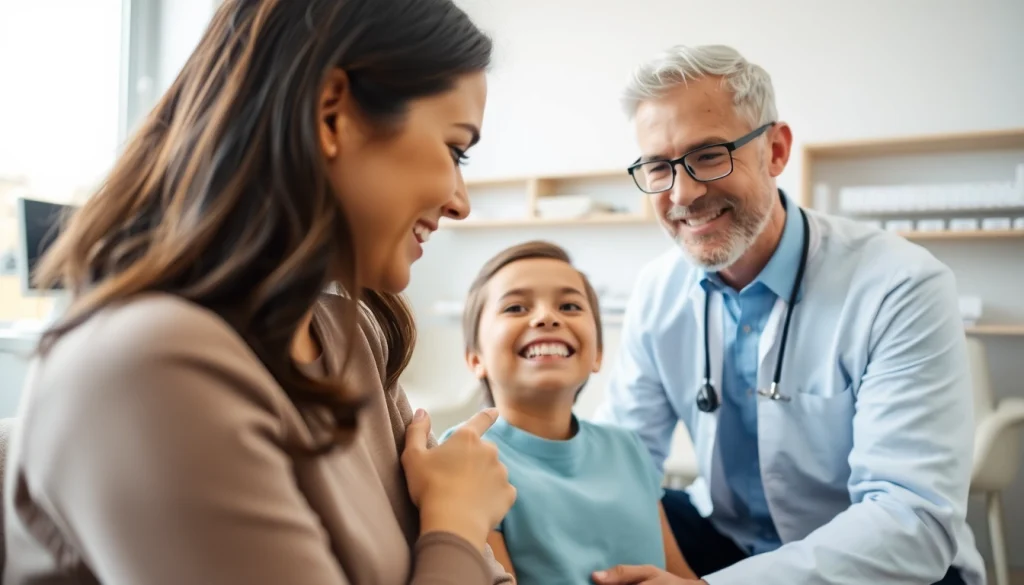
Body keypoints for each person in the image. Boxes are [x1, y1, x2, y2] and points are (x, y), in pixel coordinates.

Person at [2, 1, 518, 584]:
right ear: (331, 114)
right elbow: (457, 554)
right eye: (454, 149)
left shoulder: (353, 338)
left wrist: (455, 533)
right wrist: (456, 521)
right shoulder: (149, 366)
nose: (460, 200)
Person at [591, 44, 985, 585]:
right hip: (729, 538)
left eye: (709, 155)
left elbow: (910, 520)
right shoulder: (658, 290)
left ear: (775, 151)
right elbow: (622, 462)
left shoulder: (901, 285)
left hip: (884, 564)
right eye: (659, 167)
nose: (683, 193)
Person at [441, 241, 696, 585]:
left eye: (570, 305)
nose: (547, 317)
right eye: (516, 307)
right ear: (475, 358)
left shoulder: (628, 449)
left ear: (597, 355)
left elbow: (684, 578)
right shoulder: (469, 455)